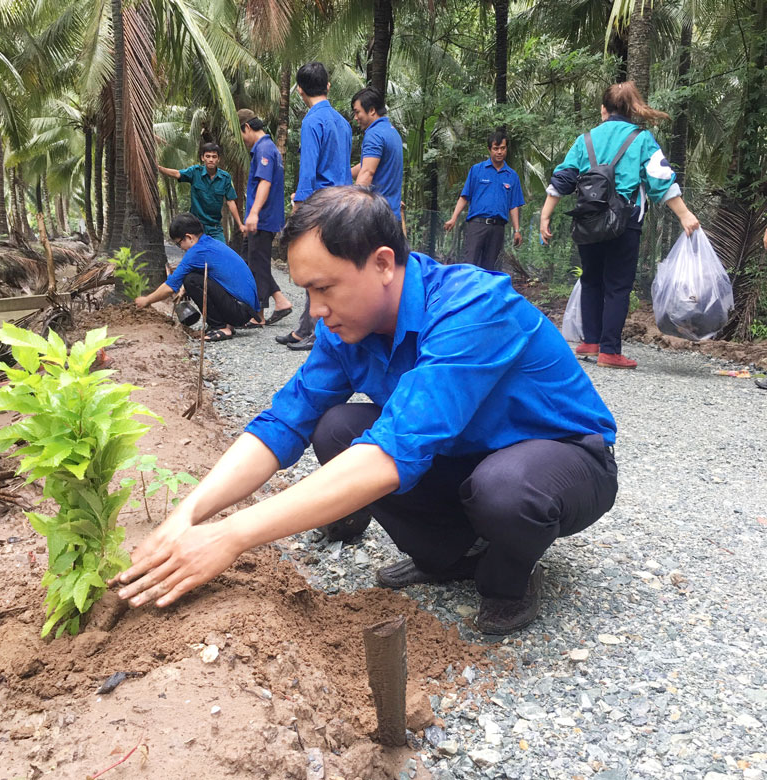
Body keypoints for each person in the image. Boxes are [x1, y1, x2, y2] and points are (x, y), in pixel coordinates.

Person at [115, 186, 619, 637]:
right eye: (305, 291)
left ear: (382, 264)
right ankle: (452, 556)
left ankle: (508, 577)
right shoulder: (344, 331)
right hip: (463, 453)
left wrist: (230, 536)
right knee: (336, 428)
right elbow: (282, 422)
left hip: (564, 460)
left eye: (324, 288)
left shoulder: (473, 308)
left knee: (504, 489)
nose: (313, 310)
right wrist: (190, 512)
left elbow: (391, 454)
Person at [540, 81, 701, 369]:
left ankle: (590, 341)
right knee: (617, 285)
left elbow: (562, 178)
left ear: (604, 108)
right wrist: (684, 214)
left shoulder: (585, 139)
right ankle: (610, 351)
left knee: (590, 278)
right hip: (623, 221)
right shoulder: (641, 139)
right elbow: (660, 179)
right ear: (631, 110)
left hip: (587, 221)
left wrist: (545, 214)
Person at [276, 61, 352, 353]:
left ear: (299, 90)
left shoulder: (312, 121)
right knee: (329, 265)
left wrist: (298, 205)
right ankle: (305, 328)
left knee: (316, 268)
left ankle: (318, 333)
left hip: (319, 202)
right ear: (328, 86)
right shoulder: (342, 121)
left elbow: (308, 169)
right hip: (342, 201)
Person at [135, 213, 259, 342]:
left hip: (239, 312)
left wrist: (147, 300)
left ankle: (220, 327)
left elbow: (170, 287)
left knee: (191, 280)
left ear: (189, 237)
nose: (181, 248)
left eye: (179, 244)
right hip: (244, 309)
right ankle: (226, 324)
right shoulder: (210, 243)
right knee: (192, 278)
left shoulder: (196, 252)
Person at [236, 109, 293, 328]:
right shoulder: (267, 148)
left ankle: (258, 314)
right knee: (252, 261)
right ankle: (280, 301)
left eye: (241, 134)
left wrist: (253, 214)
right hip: (262, 217)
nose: (243, 140)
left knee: (256, 264)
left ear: (247, 128)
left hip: (263, 218)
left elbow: (264, 183)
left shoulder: (264, 150)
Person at [444, 129, 524, 270]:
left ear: (506, 149)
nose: (499, 152)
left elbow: (514, 205)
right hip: (477, 225)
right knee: (470, 265)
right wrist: (453, 218)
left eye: (503, 148)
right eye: (496, 148)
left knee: (490, 268)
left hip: (498, 228)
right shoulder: (477, 170)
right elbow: (464, 196)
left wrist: (517, 230)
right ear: (489, 149)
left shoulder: (512, 176)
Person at [158, 143, 244, 243]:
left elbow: (231, 202)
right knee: (196, 254)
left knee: (220, 252)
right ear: (203, 158)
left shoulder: (225, 178)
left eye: (214, 157)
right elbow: (177, 173)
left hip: (215, 227)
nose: (211, 159)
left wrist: (240, 224)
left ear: (218, 159)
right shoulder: (195, 172)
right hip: (196, 227)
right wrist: (159, 168)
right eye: (208, 156)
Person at [350, 87, 403, 220]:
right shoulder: (391, 131)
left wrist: (350, 207)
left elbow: (367, 172)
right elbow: (366, 165)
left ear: (372, 110)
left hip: (376, 218)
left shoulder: (374, 135)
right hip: (392, 215)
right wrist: (344, 174)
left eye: (357, 112)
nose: (355, 118)